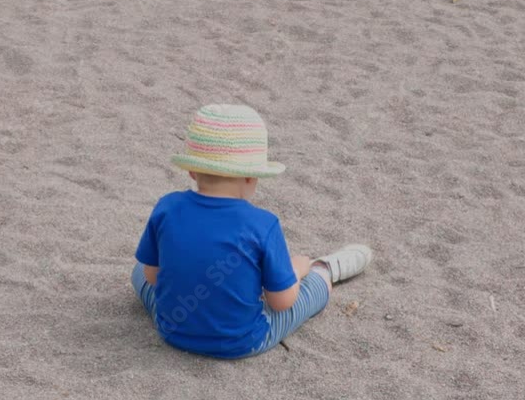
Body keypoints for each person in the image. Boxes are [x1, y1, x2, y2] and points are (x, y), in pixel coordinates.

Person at [131, 104, 372, 359]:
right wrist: (297, 270)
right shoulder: (263, 224)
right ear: (251, 176)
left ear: (192, 170)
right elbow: (281, 301)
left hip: (172, 329)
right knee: (308, 290)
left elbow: (152, 276)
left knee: (139, 269)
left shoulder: (166, 207)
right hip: (242, 340)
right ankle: (324, 270)